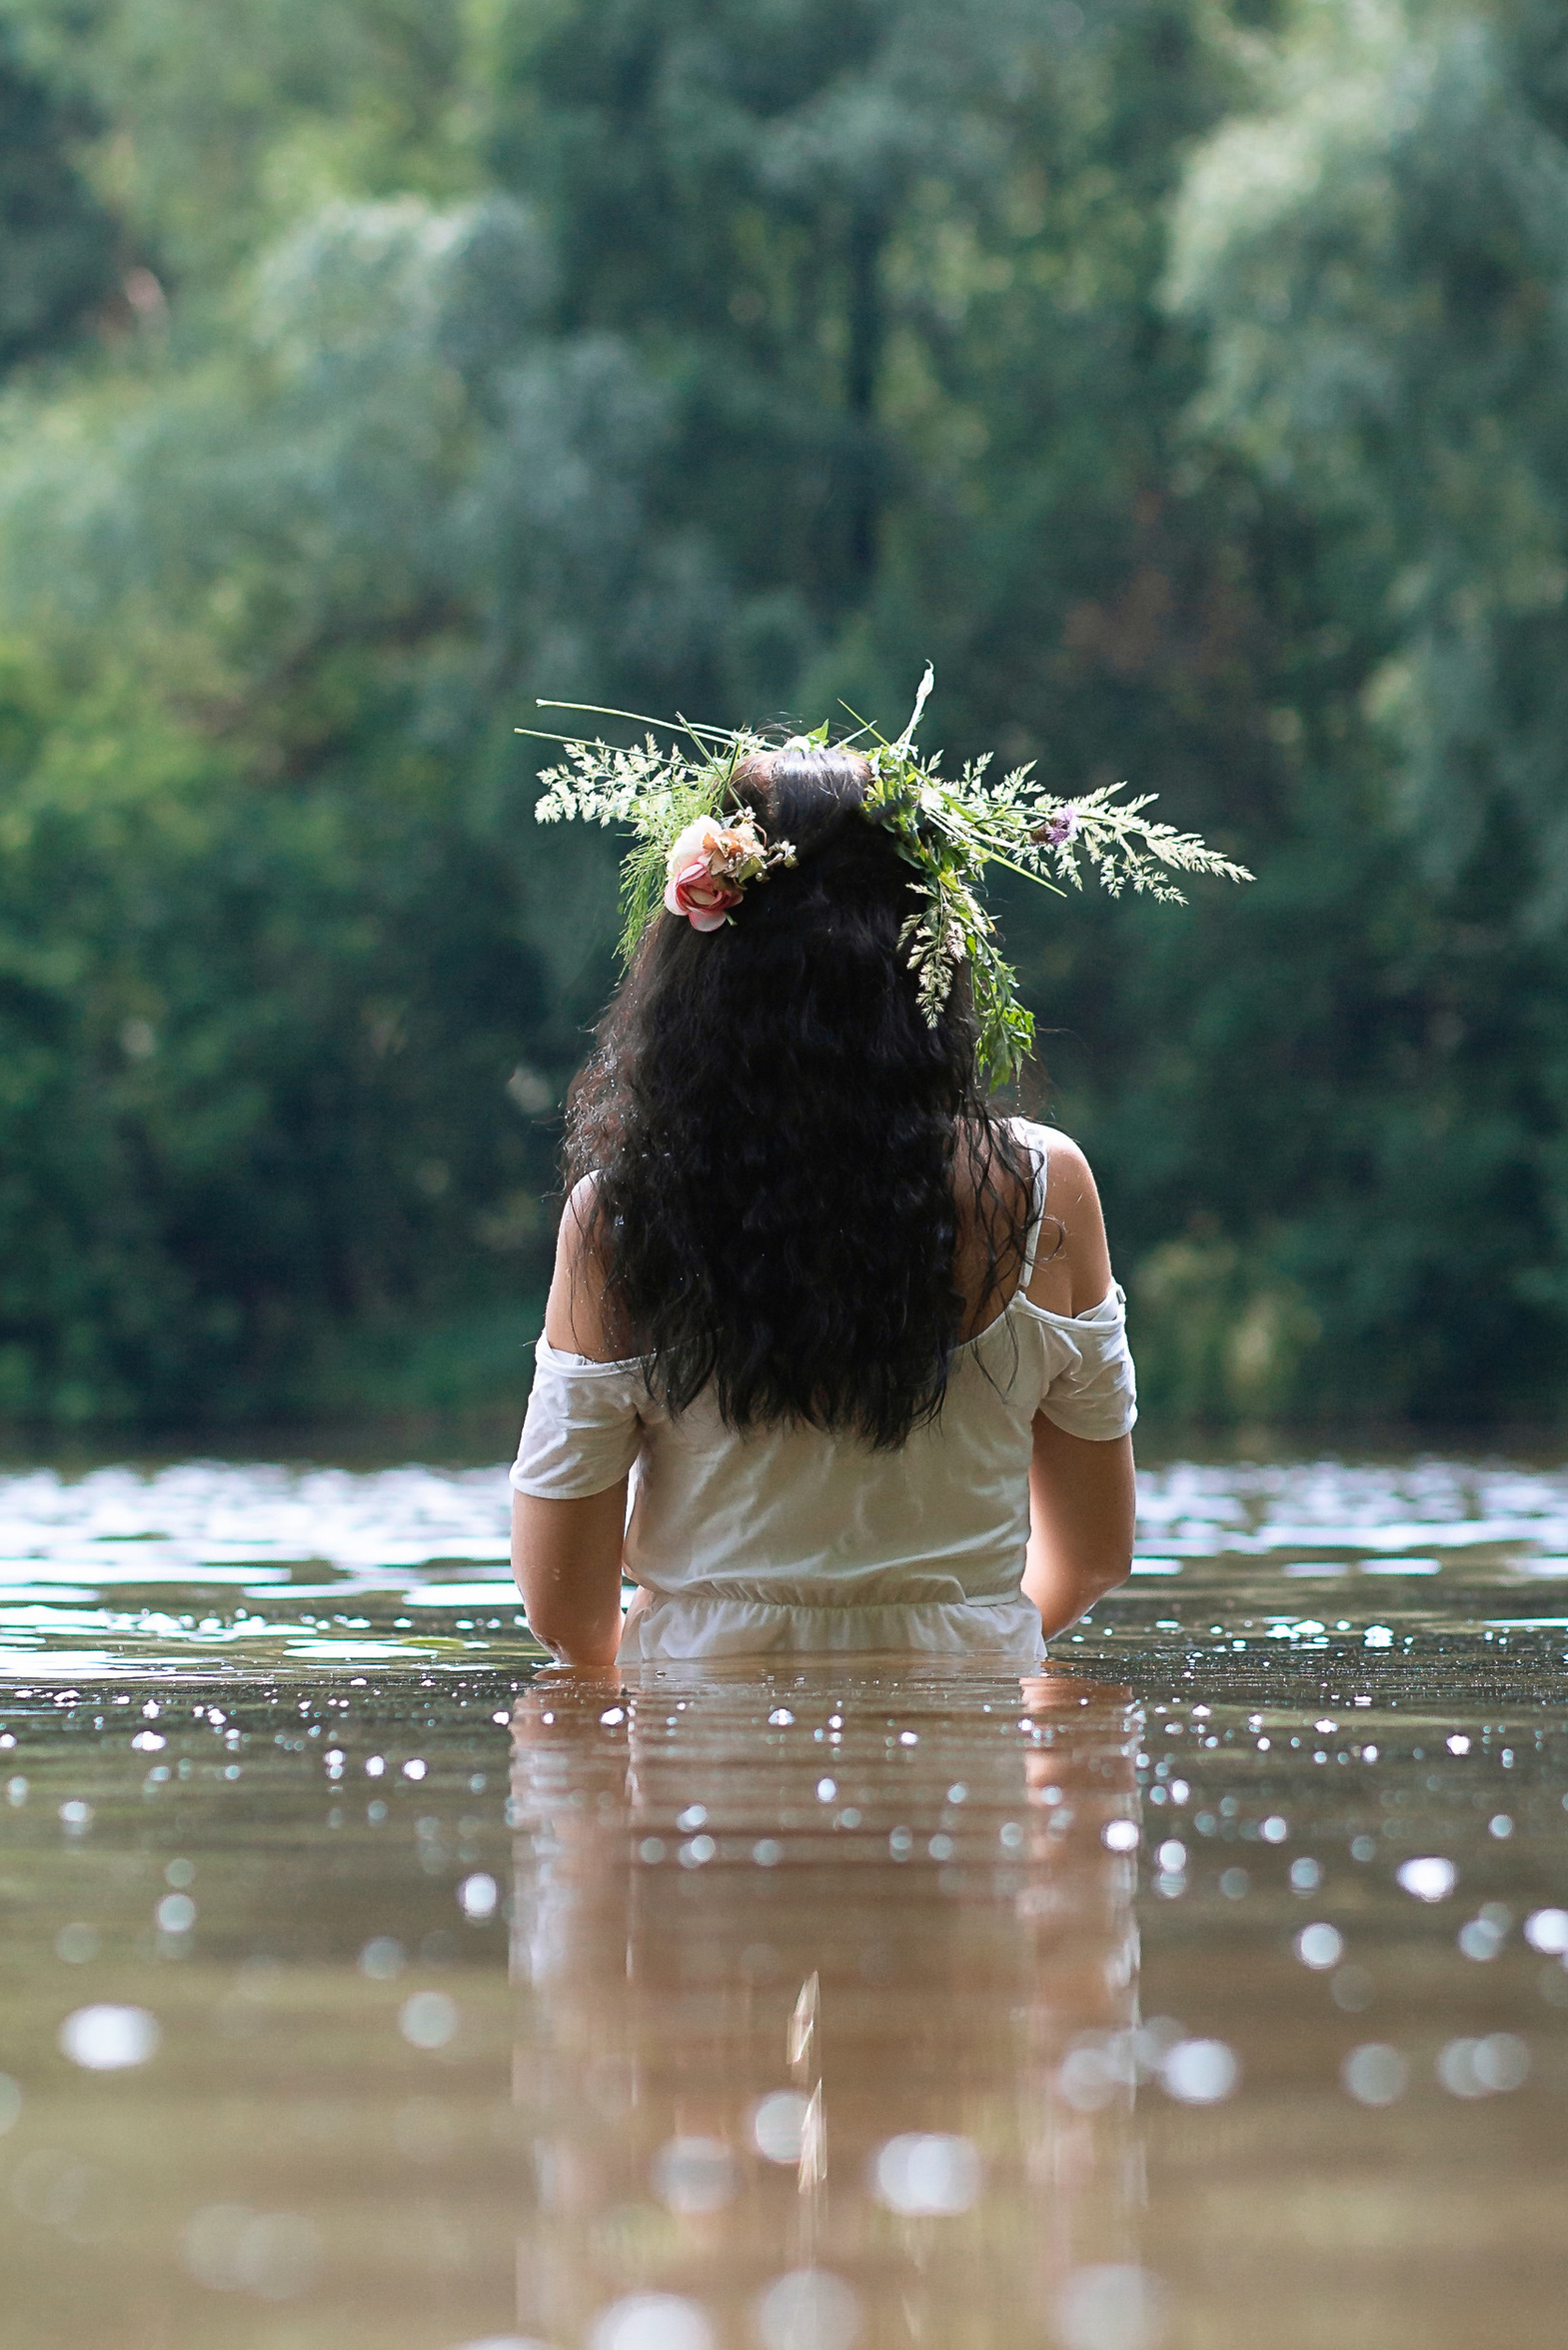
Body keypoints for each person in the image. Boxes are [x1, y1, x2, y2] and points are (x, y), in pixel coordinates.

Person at [508, 701, 1244, 1676]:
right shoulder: (1042, 1190)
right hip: (968, 1751)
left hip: (701, 1752)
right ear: (934, 953)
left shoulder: (621, 1217)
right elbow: (1098, 1557)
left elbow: (563, 1609)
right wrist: (959, 1643)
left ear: (699, 965)